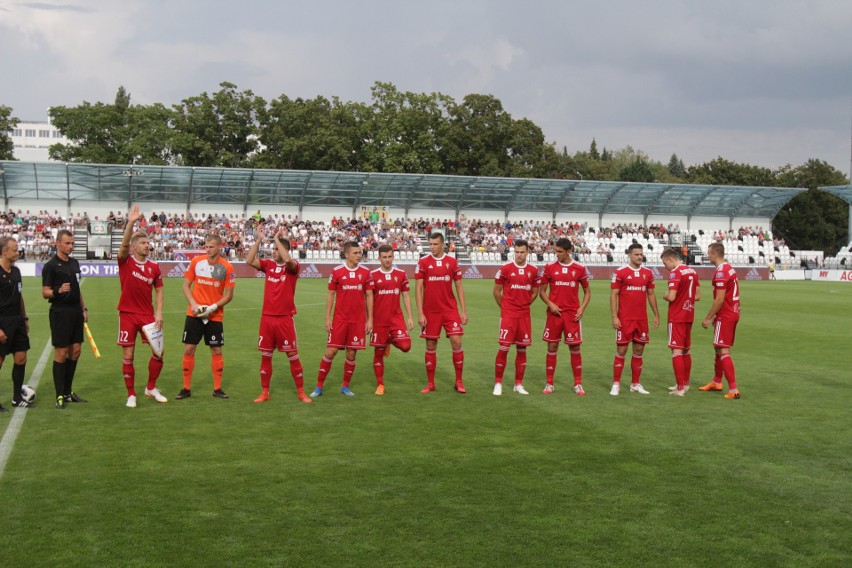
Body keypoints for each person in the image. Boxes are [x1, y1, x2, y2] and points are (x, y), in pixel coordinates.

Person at [246, 227, 312, 404]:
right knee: (266, 356)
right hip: (267, 318)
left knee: (293, 356)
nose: (274, 252)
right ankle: (265, 392)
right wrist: (259, 240)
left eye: (276, 249)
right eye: (273, 249)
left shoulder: (293, 267)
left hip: (285, 319)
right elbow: (249, 259)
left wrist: (277, 239)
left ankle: (300, 391)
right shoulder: (269, 266)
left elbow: (288, 259)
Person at [117, 205, 167, 408]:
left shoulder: (154, 267)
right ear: (134, 247)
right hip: (127, 314)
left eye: (148, 242)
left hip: (148, 315)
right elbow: (122, 246)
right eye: (143, 243)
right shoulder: (125, 262)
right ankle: (131, 394)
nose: (147, 245)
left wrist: (159, 312)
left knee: (159, 353)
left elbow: (160, 290)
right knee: (128, 355)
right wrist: (131, 222)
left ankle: (151, 387)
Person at [310, 241, 373, 397]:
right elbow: (330, 295)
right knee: (331, 352)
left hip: (358, 321)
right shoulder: (336, 271)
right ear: (347, 255)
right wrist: (327, 318)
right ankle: (318, 386)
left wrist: (370, 319)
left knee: (351, 354)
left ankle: (345, 386)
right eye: (356, 253)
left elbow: (369, 296)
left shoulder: (366, 273)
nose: (359, 255)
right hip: (340, 320)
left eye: (360, 253)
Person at [176, 234, 236, 400]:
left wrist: (213, 307)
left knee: (216, 349)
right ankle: (186, 388)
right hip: (194, 314)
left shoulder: (227, 267)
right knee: (189, 348)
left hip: (214, 315)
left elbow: (229, 295)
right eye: (206, 246)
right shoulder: (196, 262)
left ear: (219, 247)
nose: (207, 249)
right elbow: (186, 286)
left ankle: (217, 388)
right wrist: (194, 304)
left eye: (210, 247)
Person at [415, 232, 468, 394]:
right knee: (431, 345)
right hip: (430, 312)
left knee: (456, 341)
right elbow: (418, 289)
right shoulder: (423, 262)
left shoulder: (452, 262)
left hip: (449, 310)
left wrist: (463, 310)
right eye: (430, 244)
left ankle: (459, 381)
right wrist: (420, 313)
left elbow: (459, 286)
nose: (432, 247)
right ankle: (430, 383)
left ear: (443, 244)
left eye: (435, 244)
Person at [41, 229, 88, 409]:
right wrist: (57, 291)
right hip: (60, 312)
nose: (70, 246)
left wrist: (83, 308)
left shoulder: (75, 263)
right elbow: (45, 292)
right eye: (67, 243)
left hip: (76, 311)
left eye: (72, 243)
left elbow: (77, 288)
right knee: (61, 352)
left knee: (75, 351)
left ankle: (68, 392)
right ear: (58, 243)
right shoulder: (51, 266)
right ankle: (59, 394)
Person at [538, 238, 591, 396]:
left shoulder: (579, 268)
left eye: (560, 251)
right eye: (556, 251)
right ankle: (549, 383)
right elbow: (542, 291)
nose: (557, 254)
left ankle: (578, 384)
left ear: (569, 251)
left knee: (575, 347)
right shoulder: (549, 268)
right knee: (552, 347)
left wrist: (582, 308)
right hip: (554, 315)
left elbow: (587, 292)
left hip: (572, 315)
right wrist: (550, 304)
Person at [609, 243, 660, 396]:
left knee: (639, 351)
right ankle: (616, 384)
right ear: (629, 255)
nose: (639, 257)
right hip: (625, 319)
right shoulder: (620, 272)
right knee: (622, 350)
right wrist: (614, 316)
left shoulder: (648, 273)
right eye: (636, 254)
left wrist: (656, 314)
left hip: (641, 320)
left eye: (641, 254)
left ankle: (635, 384)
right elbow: (614, 295)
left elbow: (650, 294)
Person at [492, 239, 540, 396]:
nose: (519, 255)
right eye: (517, 252)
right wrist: (505, 307)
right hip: (508, 315)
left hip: (524, 315)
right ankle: (498, 383)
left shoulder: (533, 270)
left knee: (522, 349)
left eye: (522, 252)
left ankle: (518, 384)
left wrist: (525, 304)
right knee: (504, 348)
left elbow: (534, 292)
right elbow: (496, 291)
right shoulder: (505, 268)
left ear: (527, 252)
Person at [369, 245, 414, 395]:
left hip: (396, 319)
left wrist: (410, 316)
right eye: (384, 257)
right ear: (379, 258)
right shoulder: (373, 275)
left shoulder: (401, 274)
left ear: (393, 256)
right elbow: (367, 299)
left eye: (390, 256)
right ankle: (380, 384)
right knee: (378, 353)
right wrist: (368, 320)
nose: (387, 260)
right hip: (379, 321)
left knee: (406, 346)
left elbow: (406, 295)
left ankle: (389, 340)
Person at [699, 243, 741, 399]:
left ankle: (733, 390)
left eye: (709, 253)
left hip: (726, 314)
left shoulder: (722, 272)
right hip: (732, 312)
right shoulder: (728, 268)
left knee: (723, 350)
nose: (707, 256)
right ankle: (717, 382)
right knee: (718, 347)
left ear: (715, 254)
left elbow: (720, 299)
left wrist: (708, 317)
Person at [660, 248, 700, 396]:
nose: (665, 267)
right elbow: (697, 296)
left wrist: (665, 295)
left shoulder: (675, 273)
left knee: (676, 350)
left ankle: (680, 388)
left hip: (677, 315)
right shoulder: (692, 271)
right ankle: (685, 384)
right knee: (686, 350)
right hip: (689, 314)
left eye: (665, 264)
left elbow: (671, 297)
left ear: (671, 259)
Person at [0, 238, 32, 411]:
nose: (17, 252)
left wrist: (24, 318)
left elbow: (19, 297)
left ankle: (16, 398)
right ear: (4, 252)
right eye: (14, 250)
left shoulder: (16, 272)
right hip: (2, 321)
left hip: (17, 321)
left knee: (21, 358)